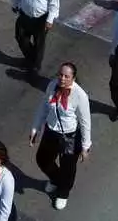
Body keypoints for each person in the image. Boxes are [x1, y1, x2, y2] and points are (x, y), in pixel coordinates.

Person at [29, 62, 91, 210]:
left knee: (68, 168)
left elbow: (85, 122)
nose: (62, 79)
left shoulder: (80, 95)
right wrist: (35, 128)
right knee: (42, 159)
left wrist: (85, 146)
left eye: (66, 76)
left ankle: (63, 193)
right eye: (60, 75)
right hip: (51, 131)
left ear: (73, 78)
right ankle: (56, 180)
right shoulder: (52, 85)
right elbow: (44, 107)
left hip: (69, 136)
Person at [11, 0, 60, 76]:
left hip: (41, 19)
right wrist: (14, 3)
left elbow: (54, 4)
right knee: (20, 37)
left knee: (39, 43)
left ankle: (35, 66)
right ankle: (31, 58)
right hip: (24, 15)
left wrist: (49, 20)